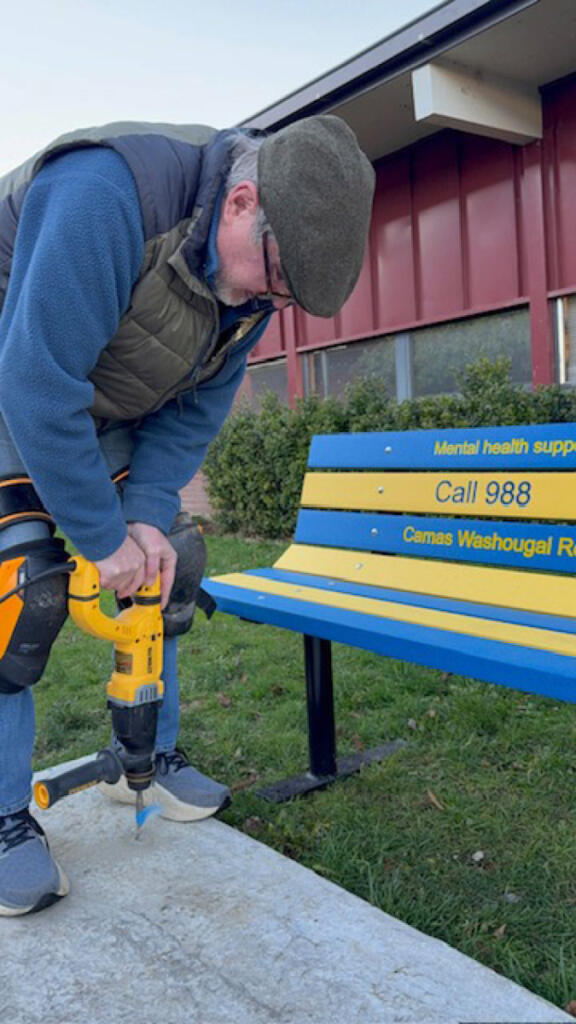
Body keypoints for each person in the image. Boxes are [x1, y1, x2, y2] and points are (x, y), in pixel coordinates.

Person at [0, 115, 375, 915]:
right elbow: (35, 383)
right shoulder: (106, 195)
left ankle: (143, 759)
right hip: (16, 374)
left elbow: (189, 419)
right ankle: (3, 819)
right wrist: (100, 538)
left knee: (170, 557)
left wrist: (138, 523)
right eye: (270, 280)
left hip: (93, 398)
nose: (267, 303)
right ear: (243, 201)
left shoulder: (255, 277)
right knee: (19, 589)